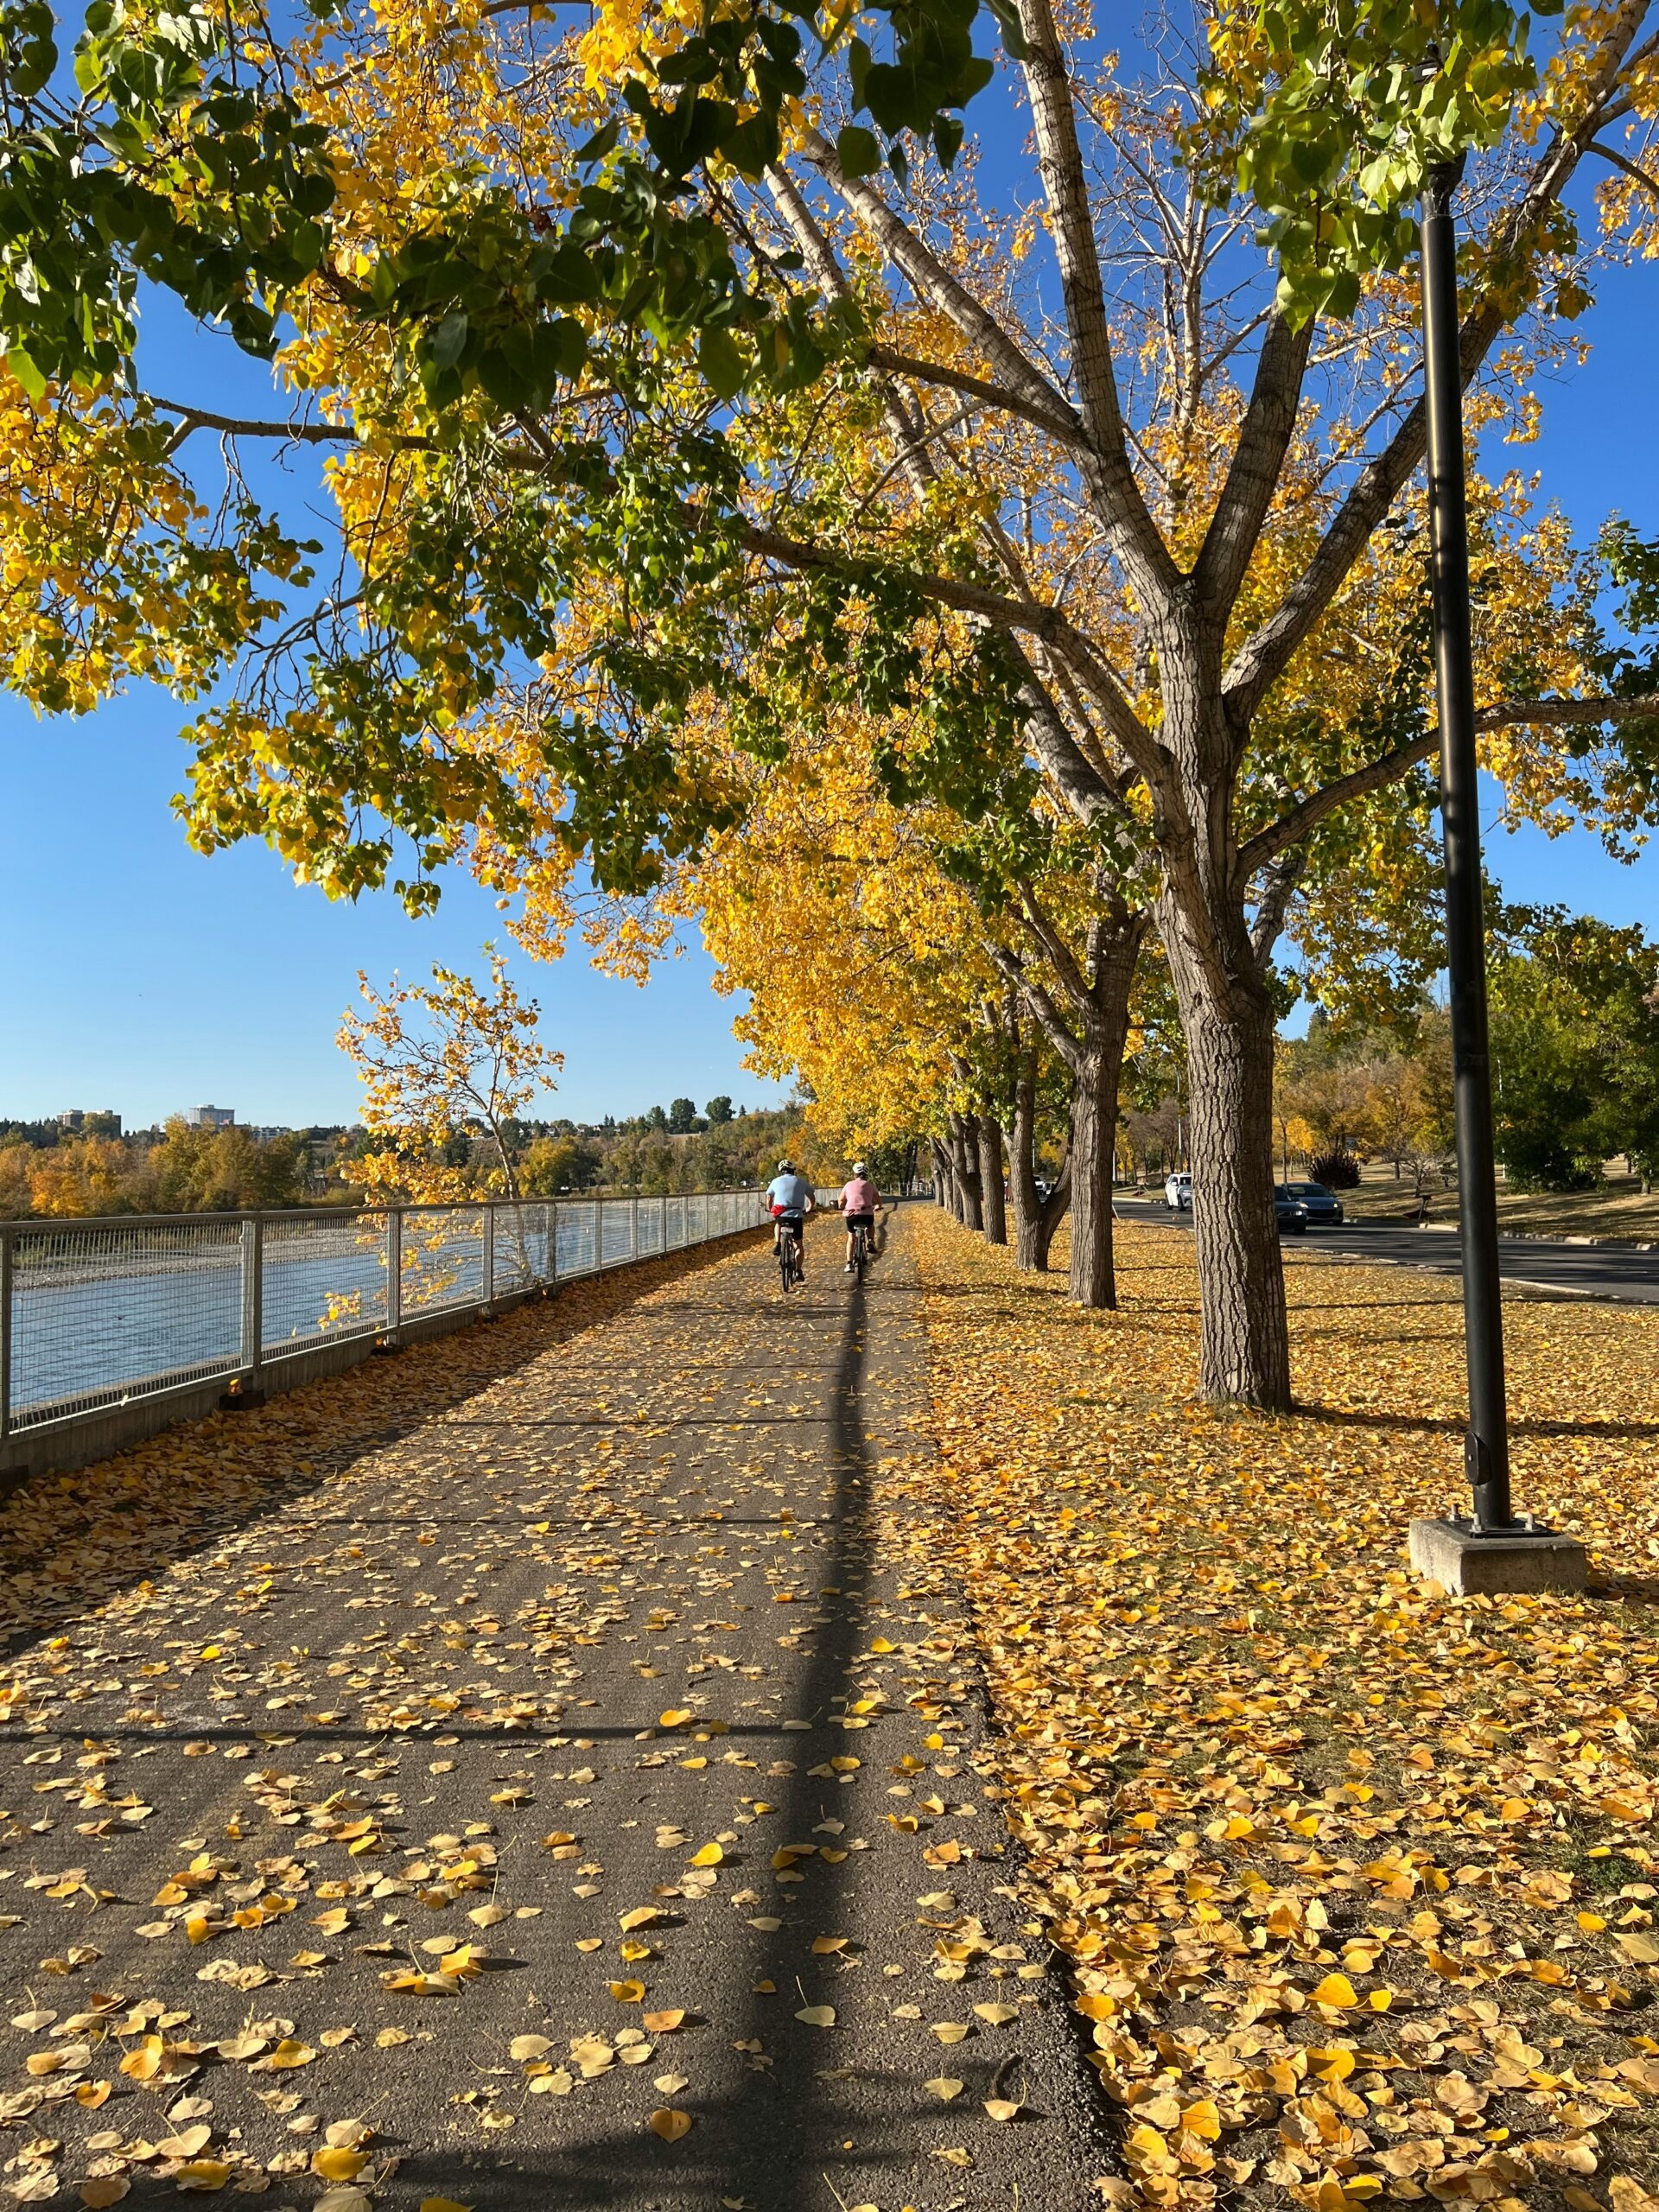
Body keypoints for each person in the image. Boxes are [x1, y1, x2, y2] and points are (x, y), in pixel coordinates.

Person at [766, 1159, 816, 1277]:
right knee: (798, 1245)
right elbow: (811, 1197)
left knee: (778, 1223)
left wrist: (769, 1208)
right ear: (794, 1170)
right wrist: (810, 1208)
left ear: (781, 1171)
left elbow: (769, 1196)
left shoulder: (775, 1181)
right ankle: (798, 1271)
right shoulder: (801, 1182)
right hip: (796, 1215)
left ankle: (778, 1243)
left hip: (781, 1215)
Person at [837, 1161, 883, 1272]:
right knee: (870, 1225)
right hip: (866, 1213)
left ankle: (849, 1264)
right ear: (866, 1175)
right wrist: (878, 1206)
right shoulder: (870, 1186)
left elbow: (841, 1200)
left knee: (851, 1238)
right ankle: (871, 1240)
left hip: (851, 1215)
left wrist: (841, 1206)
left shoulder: (848, 1185)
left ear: (855, 1174)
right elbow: (878, 1200)